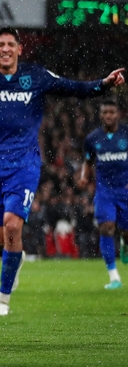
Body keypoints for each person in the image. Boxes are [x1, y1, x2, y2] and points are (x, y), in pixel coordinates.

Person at [0, 27, 125, 315]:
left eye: (10, 44)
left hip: (24, 165)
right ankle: (15, 259)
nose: (5, 49)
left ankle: (2, 299)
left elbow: (73, 88)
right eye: (0, 44)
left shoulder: (35, 77)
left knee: (13, 225)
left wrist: (103, 84)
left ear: (20, 49)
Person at [78, 99, 128, 289]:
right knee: (106, 227)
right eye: (105, 112)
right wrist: (84, 177)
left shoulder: (125, 133)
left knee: (126, 232)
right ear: (100, 115)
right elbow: (88, 161)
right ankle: (114, 277)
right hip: (105, 191)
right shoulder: (93, 139)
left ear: (118, 114)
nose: (108, 116)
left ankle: (125, 242)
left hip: (125, 190)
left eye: (112, 112)